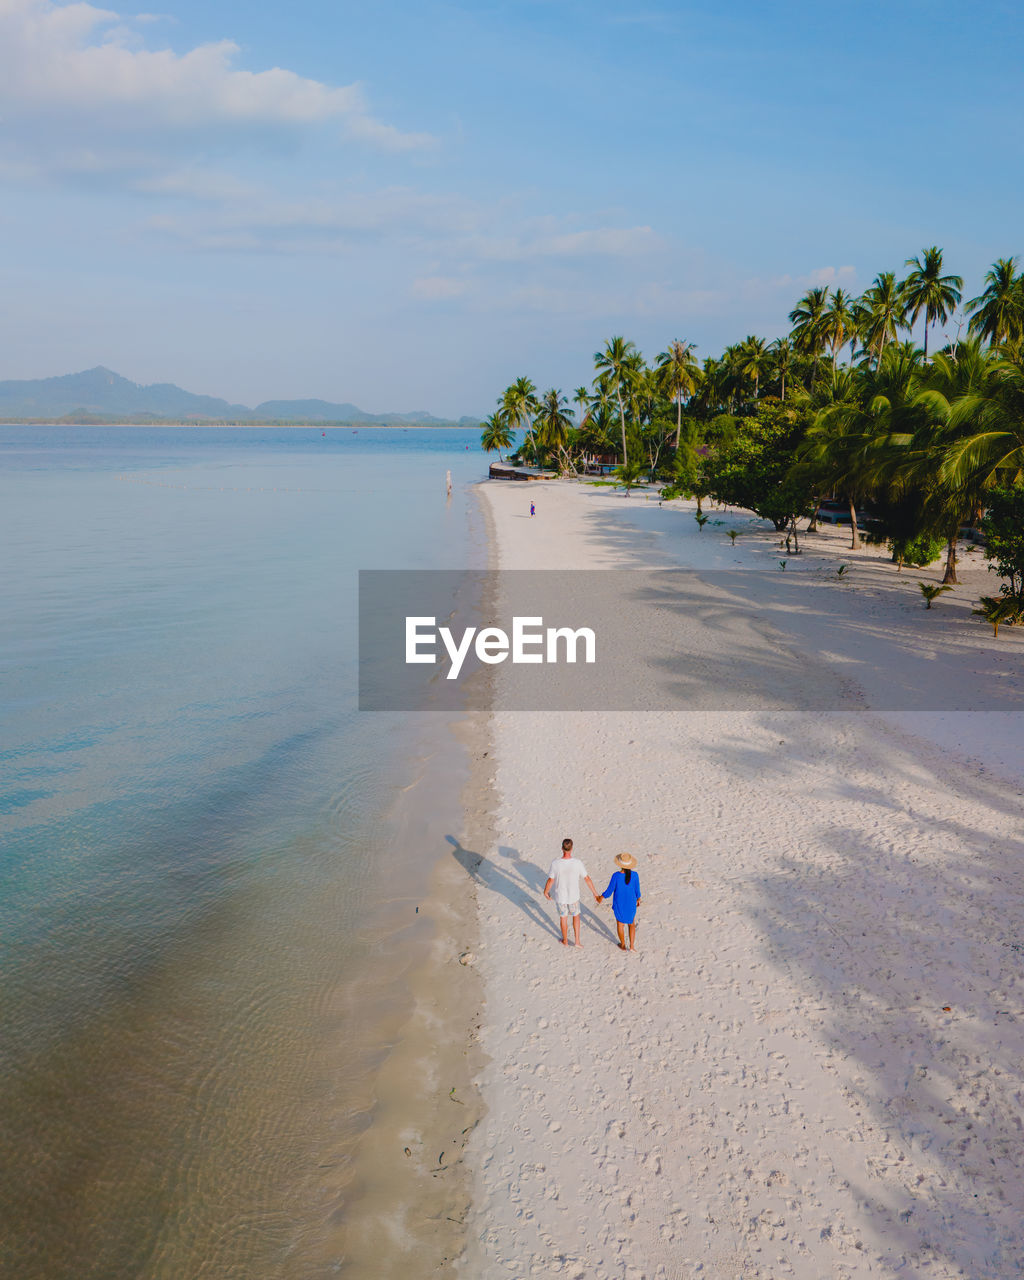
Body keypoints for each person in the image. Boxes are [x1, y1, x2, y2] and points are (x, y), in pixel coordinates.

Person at [543, 837, 598, 947]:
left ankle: (565, 940)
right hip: (574, 897)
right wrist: (595, 893)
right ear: (572, 848)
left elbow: (550, 880)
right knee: (576, 917)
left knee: (563, 918)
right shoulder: (577, 863)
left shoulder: (555, 863)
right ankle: (577, 941)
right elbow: (587, 878)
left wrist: (546, 891)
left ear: (562, 848)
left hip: (561, 897)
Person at [598, 853, 642, 951]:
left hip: (619, 903)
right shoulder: (635, 875)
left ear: (619, 864)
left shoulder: (616, 876)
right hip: (631, 903)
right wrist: (638, 899)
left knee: (620, 924)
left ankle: (622, 944)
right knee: (631, 924)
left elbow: (609, 891)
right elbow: (637, 890)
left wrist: (601, 897)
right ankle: (632, 946)